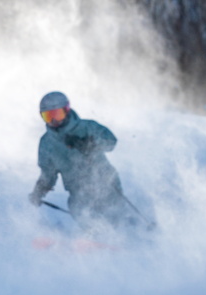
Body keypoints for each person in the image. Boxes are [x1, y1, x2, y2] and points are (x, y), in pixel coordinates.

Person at [29, 91, 134, 231]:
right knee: (78, 209)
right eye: (48, 116)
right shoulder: (47, 143)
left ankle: (127, 233)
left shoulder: (88, 127)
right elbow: (48, 173)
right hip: (78, 191)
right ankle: (96, 237)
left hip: (105, 182)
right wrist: (39, 190)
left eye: (57, 114)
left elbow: (111, 142)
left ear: (67, 110)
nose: (54, 121)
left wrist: (89, 144)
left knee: (113, 212)